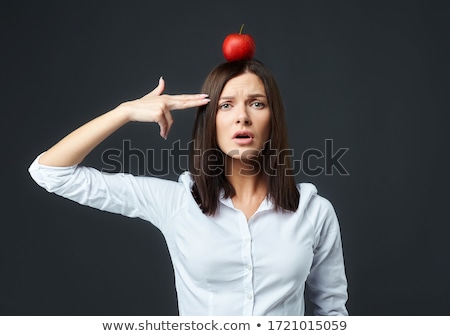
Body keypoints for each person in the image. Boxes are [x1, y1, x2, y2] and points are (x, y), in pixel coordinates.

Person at [29, 59, 348, 316]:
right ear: (211, 122)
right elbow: (50, 173)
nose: (242, 117)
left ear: (273, 121)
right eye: (226, 105)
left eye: (256, 104)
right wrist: (124, 112)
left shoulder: (315, 211)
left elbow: (332, 313)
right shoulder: (177, 202)